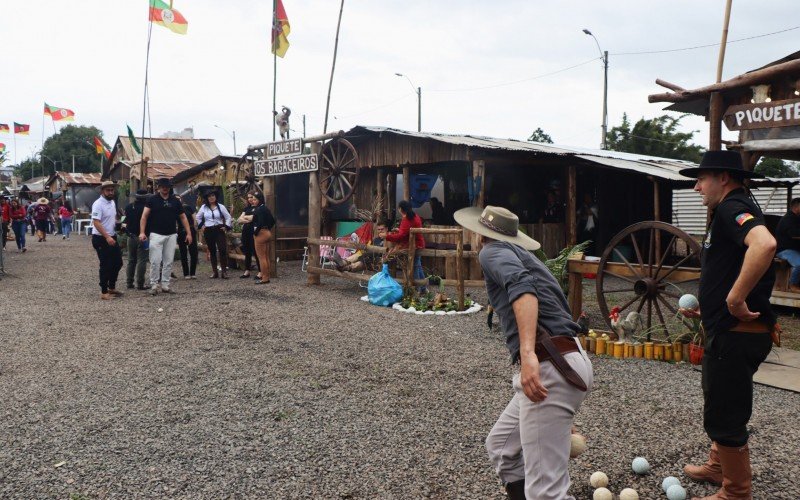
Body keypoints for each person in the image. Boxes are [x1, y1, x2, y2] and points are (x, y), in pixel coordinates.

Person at [454, 205, 592, 500]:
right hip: (564, 361)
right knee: (503, 448)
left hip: (549, 364)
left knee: (545, 492)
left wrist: (528, 354)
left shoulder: (490, 252)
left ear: (480, 234)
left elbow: (522, 288)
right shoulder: (527, 258)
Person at [678, 151, 776, 500]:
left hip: (737, 335)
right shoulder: (732, 206)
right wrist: (711, 306)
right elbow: (731, 265)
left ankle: (736, 491)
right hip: (730, 331)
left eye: (701, 179)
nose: (696, 187)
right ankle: (720, 466)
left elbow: (764, 244)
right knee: (720, 399)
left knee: (726, 411)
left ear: (723, 177)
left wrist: (734, 300)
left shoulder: (733, 207)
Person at [139, 178, 193, 295]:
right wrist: (142, 232)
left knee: (168, 261)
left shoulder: (175, 201)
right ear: (158, 187)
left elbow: (183, 217)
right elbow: (144, 216)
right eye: (162, 186)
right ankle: (154, 285)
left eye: (167, 186)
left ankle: (165, 284)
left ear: (170, 188)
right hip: (156, 234)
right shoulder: (152, 199)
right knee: (155, 261)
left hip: (171, 234)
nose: (165, 188)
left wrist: (189, 233)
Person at [90, 181, 124, 300]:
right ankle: (104, 292)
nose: (111, 192)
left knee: (118, 262)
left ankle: (111, 287)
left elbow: (111, 219)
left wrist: (119, 225)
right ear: (102, 191)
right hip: (101, 238)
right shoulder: (98, 204)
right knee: (105, 264)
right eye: (108, 190)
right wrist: (107, 236)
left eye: (112, 190)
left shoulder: (112, 202)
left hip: (112, 235)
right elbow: (96, 222)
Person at [384, 200, 426, 287]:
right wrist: (400, 230)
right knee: (418, 266)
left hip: (414, 245)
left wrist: (386, 236)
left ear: (400, 209)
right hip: (419, 243)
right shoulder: (415, 216)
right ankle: (423, 288)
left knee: (415, 267)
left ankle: (417, 290)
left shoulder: (407, 219)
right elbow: (407, 231)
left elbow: (401, 236)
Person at [195, 190, 232, 279]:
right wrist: (202, 226)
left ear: (215, 197)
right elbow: (198, 217)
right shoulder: (204, 207)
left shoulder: (221, 207)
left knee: (222, 249)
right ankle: (215, 272)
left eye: (213, 196)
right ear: (207, 198)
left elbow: (228, 217)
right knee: (212, 251)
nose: (211, 197)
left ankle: (224, 272)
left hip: (219, 229)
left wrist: (226, 226)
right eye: (209, 196)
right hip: (208, 230)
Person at [123, 189, 149, 290]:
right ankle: (140, 284)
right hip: (143, 237)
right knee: (142, 260)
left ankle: (129, 283)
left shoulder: (129, 207)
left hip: (131, 236)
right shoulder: (147, 208)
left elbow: (125, 221)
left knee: (131, 260)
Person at [774, 197, 800, 293]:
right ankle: (793, 285)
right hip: (784, 250)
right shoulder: (788, 219)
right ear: (797, 207)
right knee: (799, 264)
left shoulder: (797, 218)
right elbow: (794, 234)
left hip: (795, 249)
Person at [250, 192, 276, 284]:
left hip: (261, 233)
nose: (253, 201)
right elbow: (273, 220)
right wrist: (267, 228)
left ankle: (265, 278)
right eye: (253, 199)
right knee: (266, 257)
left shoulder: (259, 209)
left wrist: (256, 232)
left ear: (260, 200)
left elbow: (260, 222)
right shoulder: (265, 208)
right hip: (267, 232)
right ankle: (267, 276)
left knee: (261, 257)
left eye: (255, 199)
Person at [236, 192, 259, 279]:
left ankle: (260, 271)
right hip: (245, 231)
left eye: (251, 197)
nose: (250, 199)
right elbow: (239, 220)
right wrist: (248, 220)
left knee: (256, 251)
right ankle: (247, 271)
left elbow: (255, 218)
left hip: (254, 231)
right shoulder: (247, 208)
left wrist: (245, 218)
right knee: (247, 251)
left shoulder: (258, 208)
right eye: (248, 197)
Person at [176, 194, 198, 279]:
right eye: (176, 199)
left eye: (179, 199)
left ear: (181, 199)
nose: (178, 200)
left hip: (191, 230)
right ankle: (186, 273)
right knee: (183, 253)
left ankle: (193, 272)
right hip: (181, 231)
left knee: (194, 252)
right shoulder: (174, 209)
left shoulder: (187, 207)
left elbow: (194, 218)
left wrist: (195, 226)